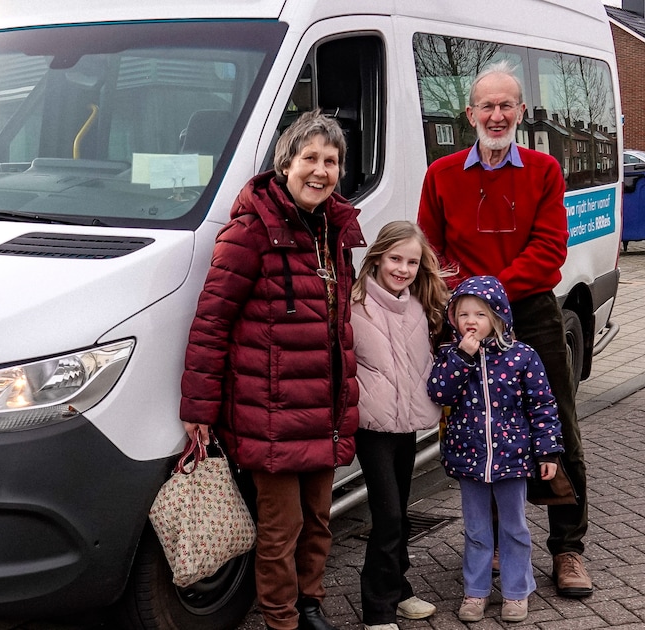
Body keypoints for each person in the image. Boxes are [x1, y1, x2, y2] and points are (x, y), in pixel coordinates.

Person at [180, 110, 366, 630]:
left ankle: (311, 607)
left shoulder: (336, 230)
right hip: (272, 414)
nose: (321, 171)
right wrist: (198, 408)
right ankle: (282, 620)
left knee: (319, 524)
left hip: (326, 410)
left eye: (331, 161)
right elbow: (211, 323)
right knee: (279, 530)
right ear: (286, 163)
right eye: (310, 158)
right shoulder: (249, 233)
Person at [416, 60, 593, 598]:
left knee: (555, 422)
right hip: (467, 317)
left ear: (520, 111)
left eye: (506, 105)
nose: (497, 115)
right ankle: (491, 543)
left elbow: (549, 251)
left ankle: (567, 549)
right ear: (470, 114)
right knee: (476, 426)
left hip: (531, 312)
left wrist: (492, 292)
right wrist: (468, 305)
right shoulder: (441, 174)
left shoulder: (543, 169)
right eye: (487, 106)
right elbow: (431, 250)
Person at [428, 275, 563, 623]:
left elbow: (543, 405)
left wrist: (547, 452)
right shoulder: (450, 354)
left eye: (480, 314)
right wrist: (462, 357)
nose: (471, 321)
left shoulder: (522, 356)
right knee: (475, 528)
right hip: (468, 457)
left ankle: (517, 591)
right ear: (453, 318)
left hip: (513, 458)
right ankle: (476, 591)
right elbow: (439, 393)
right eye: (463, 314)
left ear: (499, 317)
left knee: (514, 527)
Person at [349, 221, 447, 630]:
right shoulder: (354, 304)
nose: (403, 269)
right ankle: (378, 610)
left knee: (401, 513)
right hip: (370, 427)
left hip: (406, 426)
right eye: (395, 258)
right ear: (377, 257)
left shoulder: (420, 304)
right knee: (387, 516)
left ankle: (398, 588)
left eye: (412, 261)